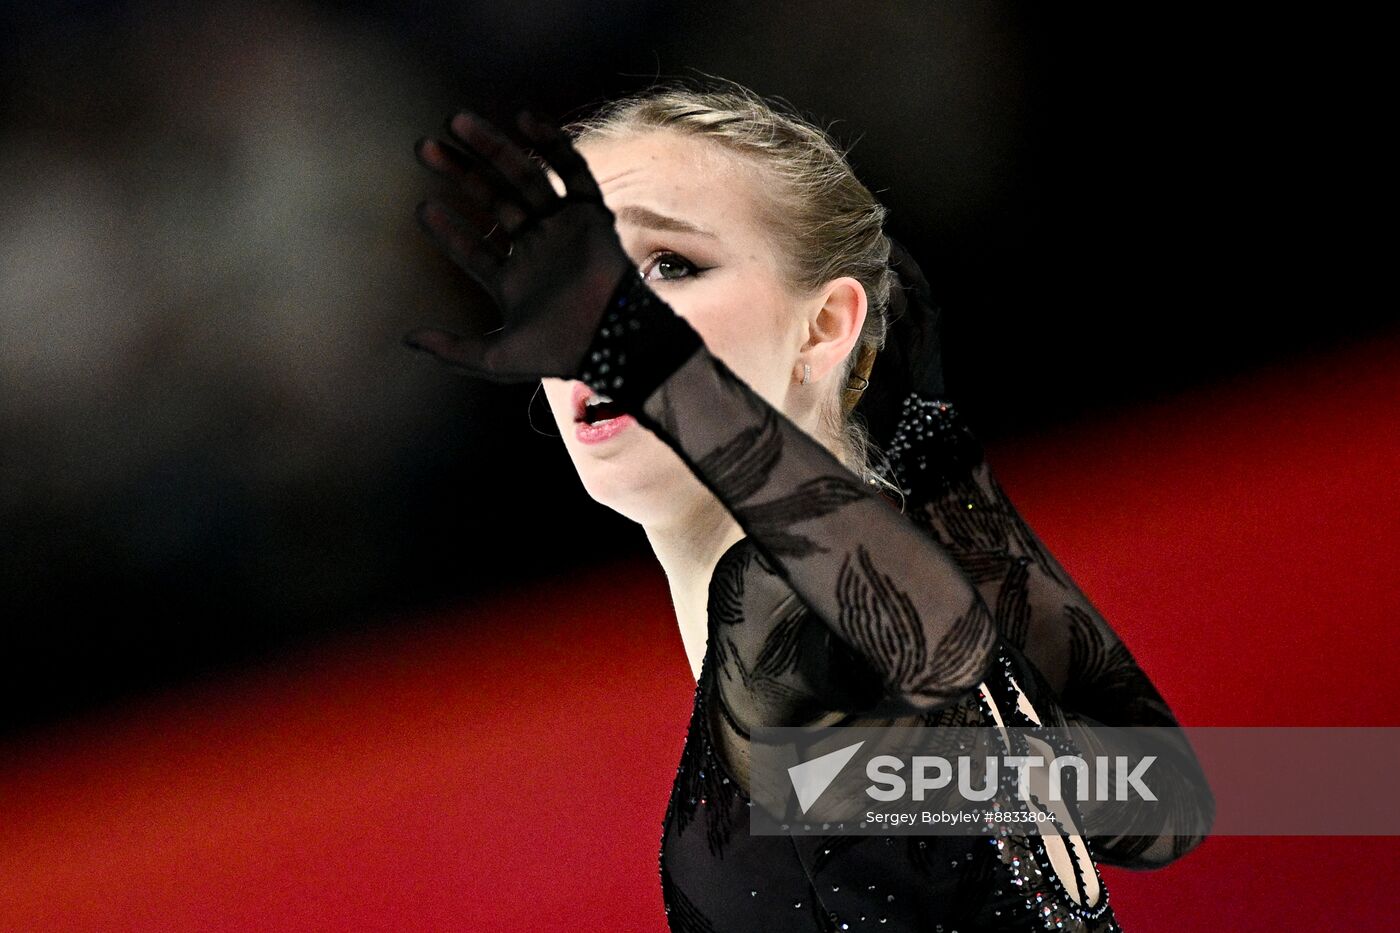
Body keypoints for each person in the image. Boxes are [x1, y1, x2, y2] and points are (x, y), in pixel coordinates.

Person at [405, 79, 1212, 932]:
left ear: (824, 326)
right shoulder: (876, 595)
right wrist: (937, 451)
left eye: (668, 265)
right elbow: (1164, 799)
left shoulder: (787, 609)